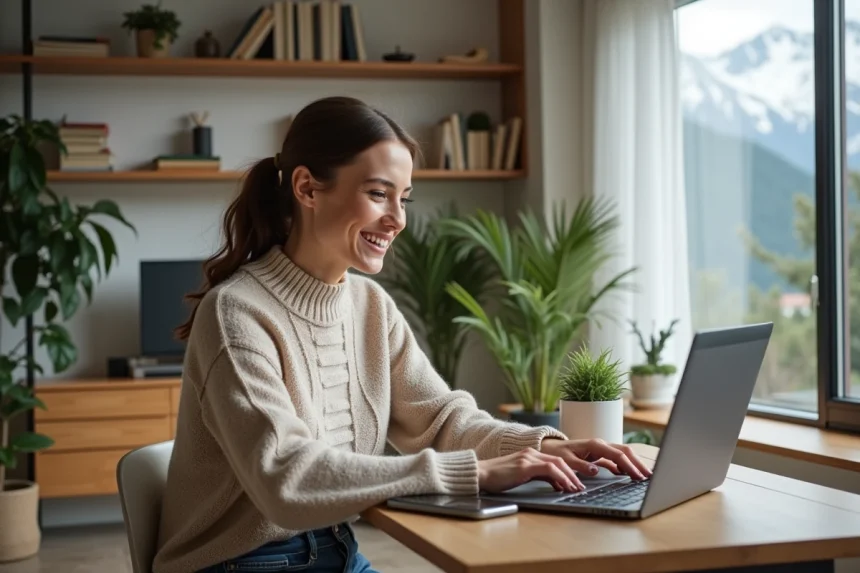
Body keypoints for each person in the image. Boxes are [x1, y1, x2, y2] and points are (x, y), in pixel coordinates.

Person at [151, 96, 652, 573]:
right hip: (241, 562)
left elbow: (440, 420)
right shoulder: (237, 313)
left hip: (336, 548)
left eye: (404, 198)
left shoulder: (370, 306)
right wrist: (472, 473)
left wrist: (539, 447)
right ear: (306, 188)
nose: (398, 219)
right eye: (377, 194)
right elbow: (286, 476)